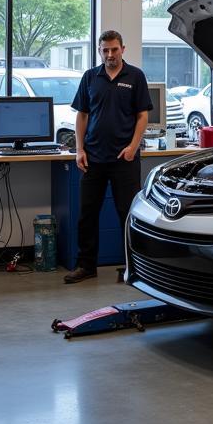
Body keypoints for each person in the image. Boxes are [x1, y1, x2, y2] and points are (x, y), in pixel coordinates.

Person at [65, 30, 152, 283]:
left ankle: (131, 267)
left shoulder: (135, 76)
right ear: (99, 51)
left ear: (123, 49)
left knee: (127, 213)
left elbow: (142, 115)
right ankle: (86, 266)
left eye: (114, 49)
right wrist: (80, 149)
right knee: (87, 214)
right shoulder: (91, 77)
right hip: (93, 158)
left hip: (124, 159)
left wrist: (133, 146)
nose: (110, 54)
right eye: (105, 50)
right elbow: (81, 115)